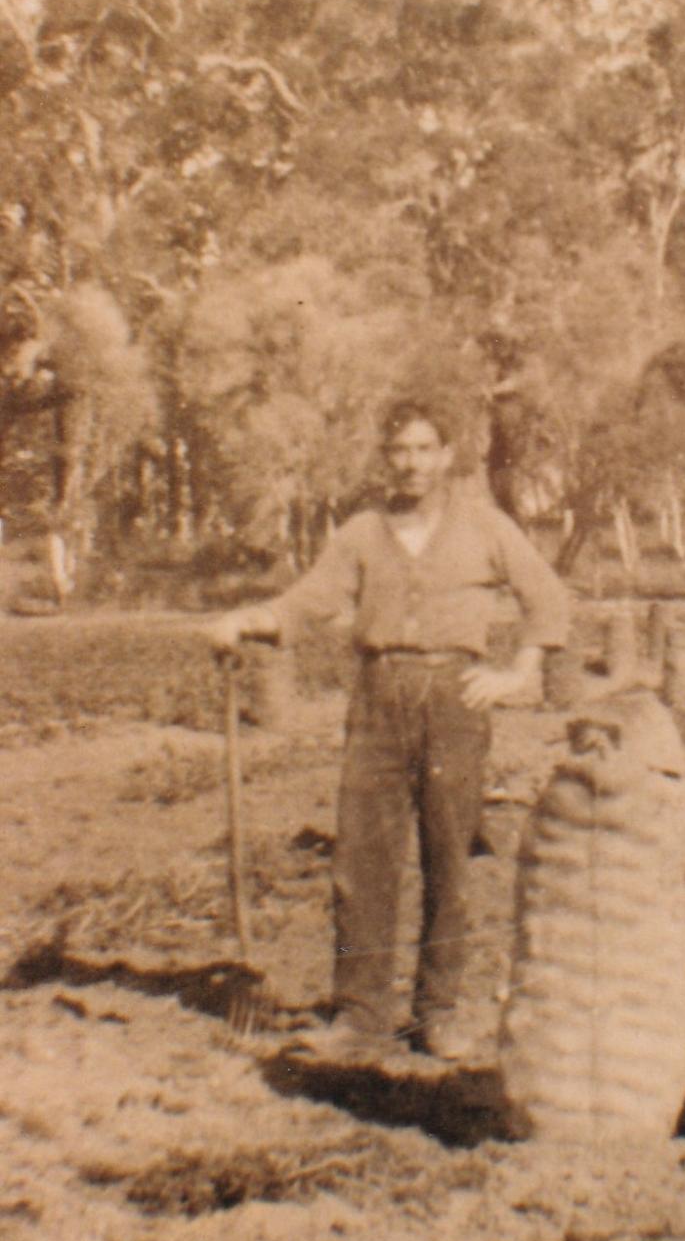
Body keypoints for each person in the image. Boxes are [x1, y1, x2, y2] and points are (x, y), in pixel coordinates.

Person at [210, 394, 569, 1062]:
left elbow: (546, 599)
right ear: (386, 457)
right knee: (362, 862)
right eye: (398, 450)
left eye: (423, 449)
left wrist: (516, 672)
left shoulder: (486, 527)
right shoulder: (360, 534)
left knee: (448, 858)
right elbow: (309, 602)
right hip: (376, 698)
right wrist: (244, 621)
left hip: (453, 699)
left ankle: (440, 1013)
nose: (410, 464)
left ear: (446, 456)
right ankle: (361, 1017)